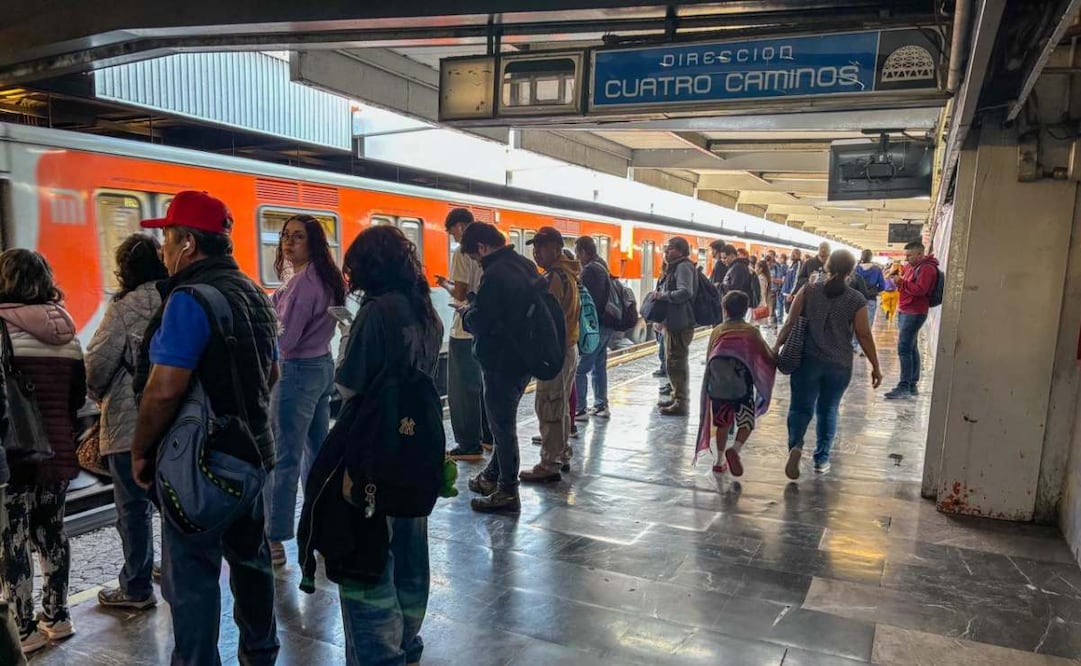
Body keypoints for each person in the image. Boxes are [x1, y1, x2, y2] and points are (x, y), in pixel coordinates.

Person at [131, 190, 280, 665]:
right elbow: (270, 374)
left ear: (189, 243)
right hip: (254, 456)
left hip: (201, 464)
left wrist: (140, 450)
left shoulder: (190, 299)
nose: (164, 251)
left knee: (192, 577)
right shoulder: (254, 293)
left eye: (168, 239)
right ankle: (261, 654)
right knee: (252, 563)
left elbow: (164, 389)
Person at [334, 225, 442, 666]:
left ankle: (381, 654)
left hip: (374, 448)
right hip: (417, 446)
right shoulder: (425, 309)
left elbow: (349, 385)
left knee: (369, 556)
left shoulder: (377, 312)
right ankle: (409, 641)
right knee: (411, 550)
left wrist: (346, 338)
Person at [0, 250, 85, 655]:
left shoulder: (2, 329)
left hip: (15, 457)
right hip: (58, 453)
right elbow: (78, 398)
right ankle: (59, 615)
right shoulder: (67, 330)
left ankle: (24, 626)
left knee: (12, 540)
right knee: (52, 532)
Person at [86, 234, 167, 610]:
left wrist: (98, 393)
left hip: (127, 425)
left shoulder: (122, 308)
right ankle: (173, 568)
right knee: (172, 502)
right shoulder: (178, 297)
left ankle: (136, 587)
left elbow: (97, 366)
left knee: (133, 509)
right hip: (174, 422)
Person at [263, 214, 344, 566]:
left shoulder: (302, 284)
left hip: (295, 373)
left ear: (312, 241)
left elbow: (285, 339)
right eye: (285, 235)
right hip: (321, 368)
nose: (288, 242)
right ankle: (322, 527)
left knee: (284, 458)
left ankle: (274, 539)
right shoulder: (323, 277)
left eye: (297, 236)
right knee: (316, 454)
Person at [775, 250, 882, 479]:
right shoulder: (856, 299)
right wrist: (876, 366)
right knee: (829, 410)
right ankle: (821, 459)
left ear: (827, 266)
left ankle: (796, 446)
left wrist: (775, 348)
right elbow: (864, 335)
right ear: (851, 271)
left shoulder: (809, 290)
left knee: (799, 408)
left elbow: (790, 323)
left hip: (807, 361)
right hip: (839, 364)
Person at [460, 222, 537, 513]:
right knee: (504, 420)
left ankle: (507, 491)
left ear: (481, 247)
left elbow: (484, 320)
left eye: (475, 257)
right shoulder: (524, 265)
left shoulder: (496, 273)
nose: (477, 262)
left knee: (501, 426)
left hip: (502, 361)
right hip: (522, 358)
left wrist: (467, 315)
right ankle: (493, 475)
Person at [520, 227, 580, 484]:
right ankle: (562, 452)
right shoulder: (570, 273)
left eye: (542, 247)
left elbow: (547, 319)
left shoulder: (555, 277)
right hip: (569, 348)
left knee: (549, 404)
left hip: (557, 350)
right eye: (535, 248)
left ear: (556, 248)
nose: (536, 253)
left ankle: (550, 462)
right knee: (560, 404)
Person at [695, 291, 775, 477]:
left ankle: (719, 460)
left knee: (722, 424)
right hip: (743, 388)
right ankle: (735, 449)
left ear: (725, 309)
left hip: (718, 388)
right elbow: (765, 356)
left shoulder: (717, 331)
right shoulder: (751, 332)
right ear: (746, 308)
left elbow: (709, 359)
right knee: (746, 422)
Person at [437, 208, 493, 461]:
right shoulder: (488, 249)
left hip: (464, 329)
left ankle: (469, 444)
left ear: (460, 226)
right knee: (482, 386)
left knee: (462, 390)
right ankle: (488, 437)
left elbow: (460, 293)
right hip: (485, 326)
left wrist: (444, 284)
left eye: (452, 233)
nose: (454, 239)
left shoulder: (462, 253)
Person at [885, 241, 940, 400]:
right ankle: (912, 384)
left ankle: (904, 386)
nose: (906, 258)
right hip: (905, 310)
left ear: (920, 254)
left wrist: (901, 282)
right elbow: (908, 286)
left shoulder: (927, 269)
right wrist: (898, 282)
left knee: (904, 348)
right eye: (906, 255)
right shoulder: (911, 267)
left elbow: (921, 290)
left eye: (909, 255)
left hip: (915, 312)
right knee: (911, 346)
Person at [654, 237, 696, 416]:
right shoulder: (678, 266)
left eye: (669, 249)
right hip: (675, 321)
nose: (666, 252)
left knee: (676, 361)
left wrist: (663, 296)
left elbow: (685, 292)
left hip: (681, 322)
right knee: (673, 361)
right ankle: (676, 395)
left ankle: (681, 401)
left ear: (680, 250)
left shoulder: (683, 266)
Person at [574, 236, 614, 420]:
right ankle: (600, 405)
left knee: (581, 369)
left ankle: (580, 409)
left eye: (577, 253)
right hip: (607, 324)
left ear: (583, 252)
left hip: (595, 326)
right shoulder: (602, 264)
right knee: (599, 366)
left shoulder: (590, 271)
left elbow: (588, 302)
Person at [851, 250, 887, 353]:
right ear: (871, 257)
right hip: (871, 300)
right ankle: (863, 348)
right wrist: (874, 291)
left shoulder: (856, 269)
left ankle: (854, 345)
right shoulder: (877, 269)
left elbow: (851, 284)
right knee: (868, 324)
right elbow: (882, 286)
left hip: (856, 300)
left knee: (855, 323)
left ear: (861, 257)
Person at [781, 248, 803, 312]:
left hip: (790, 295)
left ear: (799, 255)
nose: (792, 255)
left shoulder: (798, 264)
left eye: (795, 253)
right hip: (786, 293)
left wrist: (791, 293)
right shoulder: (792, 264)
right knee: (787, 312)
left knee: (791, 313)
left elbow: (796, 280)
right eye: (792, 253)